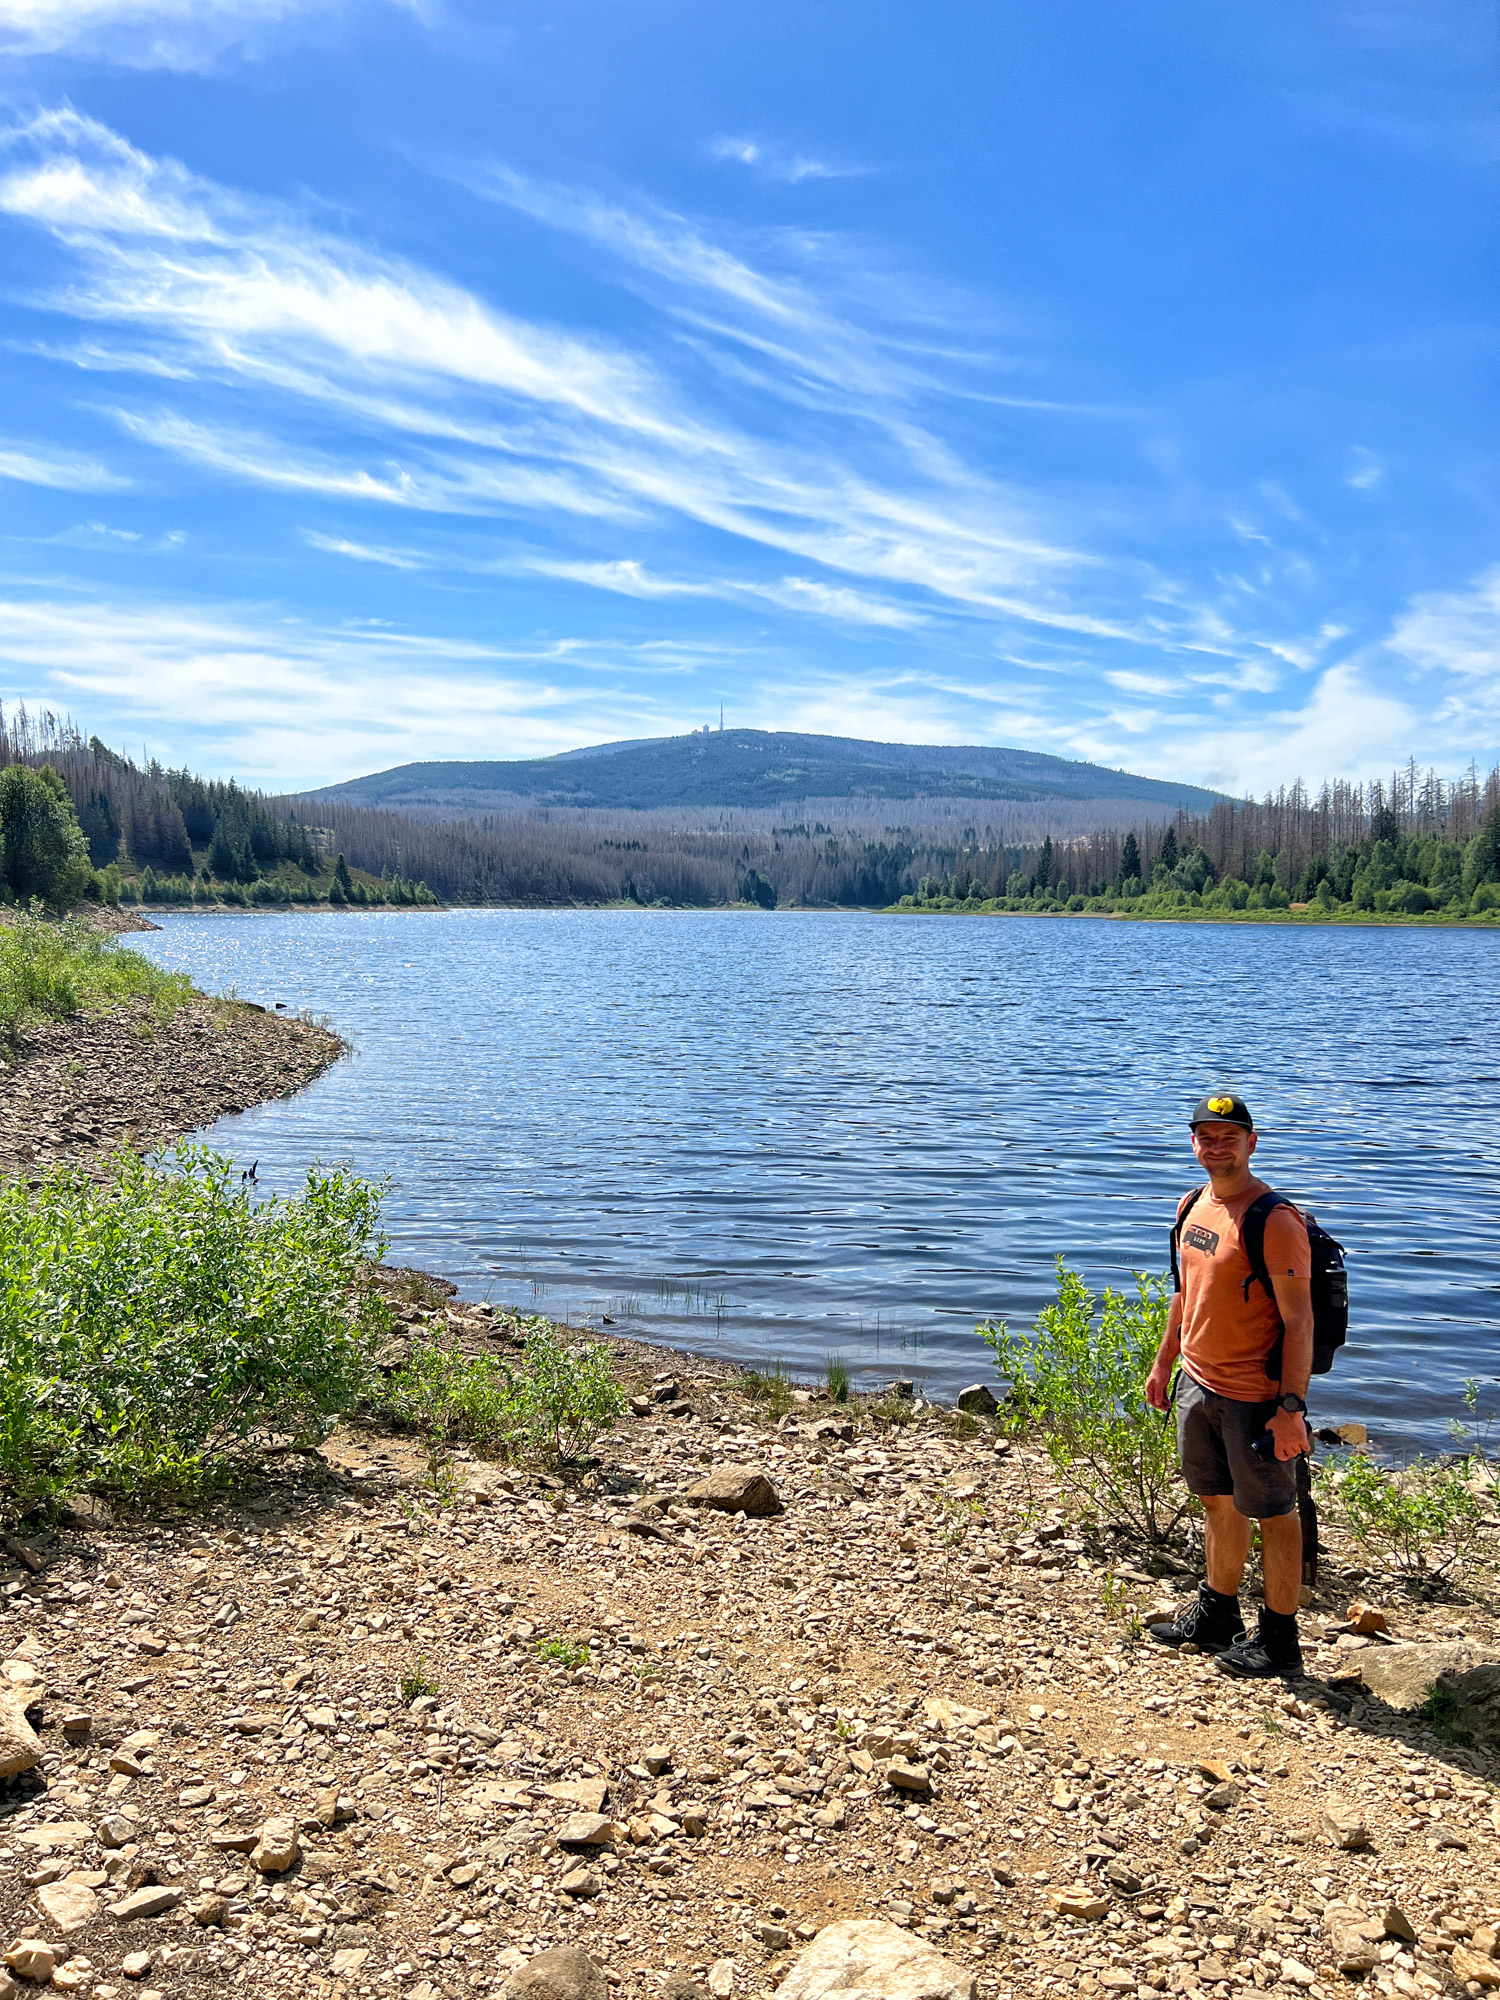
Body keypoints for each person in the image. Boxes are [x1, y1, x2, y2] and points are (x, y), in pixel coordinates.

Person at [1144, 1092, 1313, 1679]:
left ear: (1251, 1143)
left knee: (1274, 1510)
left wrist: (1291, 1409)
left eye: (1228, 1137)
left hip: (1254, 1396)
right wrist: (1165, 1362)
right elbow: (1183, 1294)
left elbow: (1299, 1321)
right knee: (1216, 1499)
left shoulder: (1274, 1219)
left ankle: (1279, 1642)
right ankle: (1219, 1613)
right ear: (1195, 1143)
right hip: (1197, 1380)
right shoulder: (1192, 1205)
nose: (1216, 1147)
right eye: (1205, 1136)